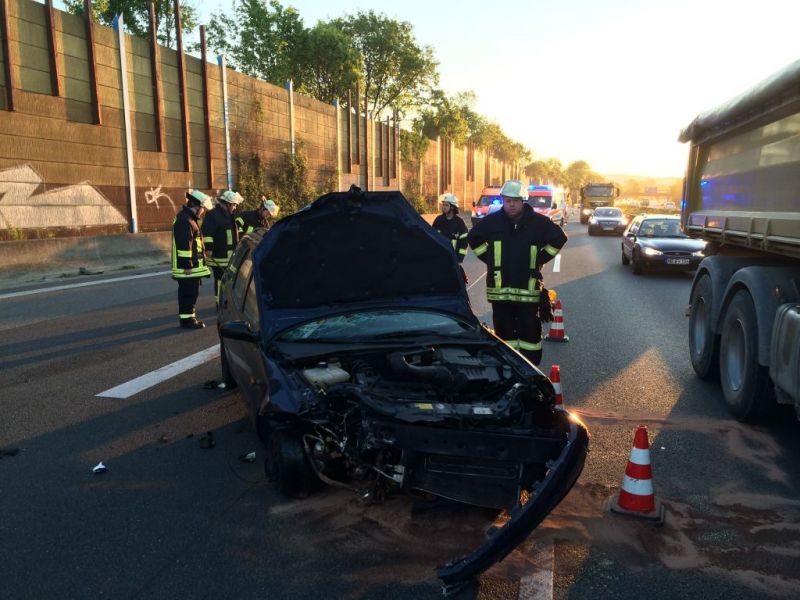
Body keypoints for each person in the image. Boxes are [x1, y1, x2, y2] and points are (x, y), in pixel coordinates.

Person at [468, 180, 567, 365]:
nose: (510, 204)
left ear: (523, 201)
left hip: (527, 292)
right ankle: (509, 368)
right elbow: (473, 238)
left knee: (530, 333)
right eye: (507, 200)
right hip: (500, 291)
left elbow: (559, 238)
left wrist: (540, 258)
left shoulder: (538, 222)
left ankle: (531, 369)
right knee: (504, 333)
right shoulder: (492, 221)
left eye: (515, 200)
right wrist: (489, 258)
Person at [171, 189, 213, 329]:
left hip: (191, 267)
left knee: (189, 293)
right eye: (202, 209)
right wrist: (187, 266)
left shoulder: (188, 219)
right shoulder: (186, 221)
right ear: (196, 206)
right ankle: (188, 321)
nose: (203, 212)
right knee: (188, 294)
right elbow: (184, 246)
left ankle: (188, 318)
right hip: (187, 269)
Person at [202, 189, 243, 303]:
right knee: (220, 279)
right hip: (219, 256)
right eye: (234, 205)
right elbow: (207, 233)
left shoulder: (229, 215)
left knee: (229, 280)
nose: (235, 207)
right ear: (228, 204)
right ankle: (219, 302)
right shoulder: (213, 215)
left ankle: (227, 300)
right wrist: (208, 249)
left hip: (230, 256)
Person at [432, 193, 469, 266]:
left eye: (446, 205)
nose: (443, 207)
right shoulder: (438, 220)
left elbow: (464, 242)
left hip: (453, 259)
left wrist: (459, 258)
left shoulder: (460, 223)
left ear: (452, 207)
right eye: (443, 205)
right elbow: (432, 236)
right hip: (439, 257)